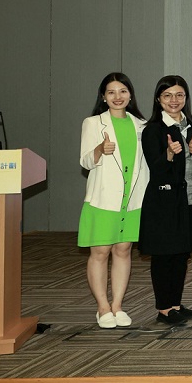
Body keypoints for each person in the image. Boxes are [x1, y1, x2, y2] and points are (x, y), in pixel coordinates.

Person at [79, 73, 150, 329]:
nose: (117, 97)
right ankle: (103, 307)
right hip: (103, 198)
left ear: (130, 95)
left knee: (123, 250)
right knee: (100, 252)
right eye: (111, 92)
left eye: (122, 91)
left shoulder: (142, 124)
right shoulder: (93, 123)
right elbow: (85, 161)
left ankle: (117, 305)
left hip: (133, 198)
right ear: (103, 97)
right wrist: (99, 149)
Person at [139, 75, 192, 326]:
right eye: (167, 95)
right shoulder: (153, 130)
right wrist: (167, 154)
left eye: (179, 95)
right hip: (165, 201)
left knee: (181, 254)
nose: (174, 100)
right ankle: (164, 308)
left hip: (191, 198)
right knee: (165, 256)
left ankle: (175, 304)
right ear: (158, 99)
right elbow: (155, 169)